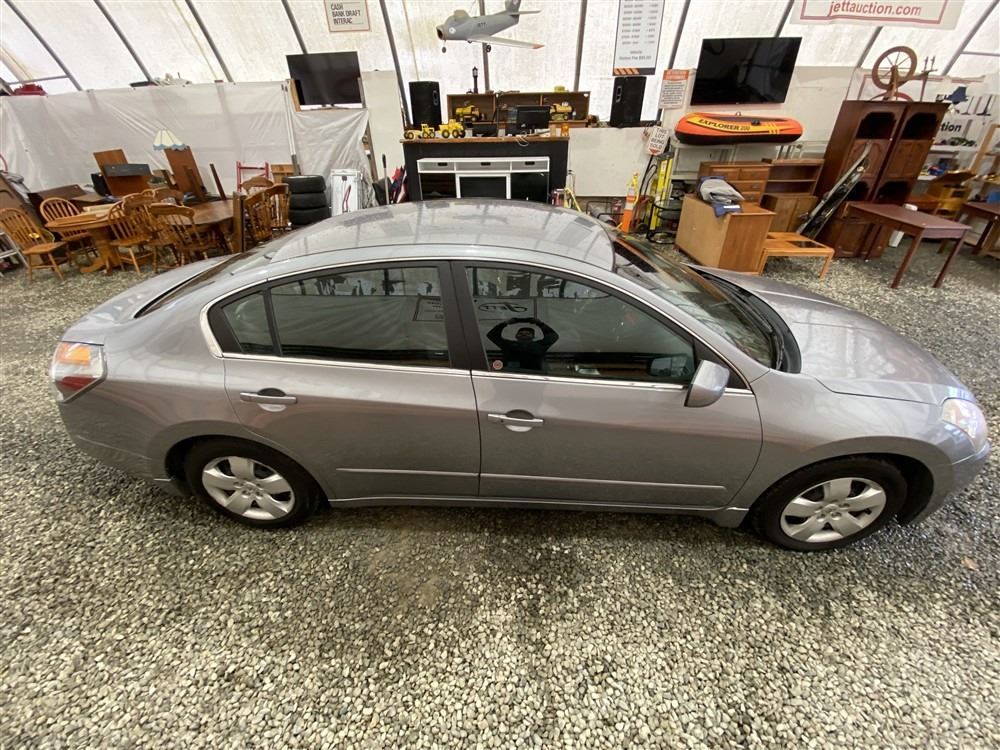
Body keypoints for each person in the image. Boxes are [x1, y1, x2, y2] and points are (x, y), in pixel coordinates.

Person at [486, 316, 559, 372]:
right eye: (521, 333)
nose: (524, 334)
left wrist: (540, 324)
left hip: (536, 376)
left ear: (533, 336)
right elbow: (492, 335)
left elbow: (553, 336)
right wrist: (505, 323)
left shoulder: (540, 345)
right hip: (511, 375)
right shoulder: (508, 345)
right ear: (516, 336)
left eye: (528, 333)